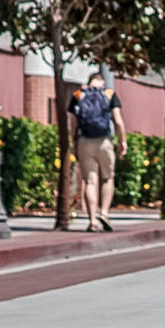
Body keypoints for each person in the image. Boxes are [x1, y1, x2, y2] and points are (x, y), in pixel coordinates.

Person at [68, 73, 128, 232]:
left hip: (84, 141)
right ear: (101, 81)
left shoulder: (78, 95)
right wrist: (123, 141)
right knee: (108, 178)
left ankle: (92, 220)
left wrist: (74, 141)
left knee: (89, 181)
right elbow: (119, 121)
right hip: (104, 142)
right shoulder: (109, 94)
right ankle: (104, 213)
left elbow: (73, 123)